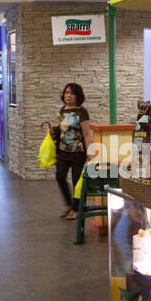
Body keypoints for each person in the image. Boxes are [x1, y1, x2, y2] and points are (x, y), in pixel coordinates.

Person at [54, 82, 93, 220]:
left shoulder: (82, 112)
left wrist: (90, 153)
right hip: (62, 151)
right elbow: (61, 128)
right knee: (60, 177)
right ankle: (69, 204)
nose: (68, 95)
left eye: (71, 93)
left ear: (78, 96)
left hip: (78, 152)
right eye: (66, 92)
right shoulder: (62, 110)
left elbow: (87, 134)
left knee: (77, 181)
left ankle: (76, 209)